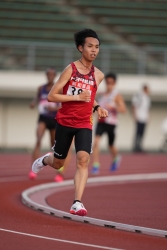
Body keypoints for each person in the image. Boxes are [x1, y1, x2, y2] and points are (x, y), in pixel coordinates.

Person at [31, 29, 108, 216]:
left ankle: (77, 202)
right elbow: (52, 96)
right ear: (80, 47)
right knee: (58, 163)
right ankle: (44, 159)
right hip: (65, 122)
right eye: (90, 46)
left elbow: (90, 98)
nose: (94, 50)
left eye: (97, 47)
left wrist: (97, 108)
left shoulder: (98, 75)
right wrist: (77, 98)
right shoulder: (70, 70)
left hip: (84, 123)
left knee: (83, 160)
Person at [28, 68, 61, 181]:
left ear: (55, 76)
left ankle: (58, 172)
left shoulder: (59, 89)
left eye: (52, 74)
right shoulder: (41, 88)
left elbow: (63, 105)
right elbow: (35, 99)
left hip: (54, 118)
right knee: (38, 140)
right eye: (48, 74)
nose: (49, 76)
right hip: (43, 118)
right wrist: (33, 104)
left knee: (54, 145)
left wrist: (54, 107)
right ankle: (33, 170)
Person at [91, 73, 126, 174]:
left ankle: (116, 157)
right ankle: (96, 165)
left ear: (114, 83)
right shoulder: (101, 95)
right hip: (101, 122)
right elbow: (95, 108)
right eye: (107, 82)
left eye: (111, 83)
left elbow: (123, 110)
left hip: (111, 123)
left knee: (110, 145)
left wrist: (114, 106)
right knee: (96, 143)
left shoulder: (117, 95)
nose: (109, 85)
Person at [132, 85, 151, 152]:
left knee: (142, 133)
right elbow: (134, 106)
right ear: (144, 89)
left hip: (144, 118)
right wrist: (135, 116)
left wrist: (148, 117)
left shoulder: (147, 98)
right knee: (138, 133)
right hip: (139, 117)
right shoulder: (139, 96)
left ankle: (140, 146)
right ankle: (135, 146)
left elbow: (147, 109)